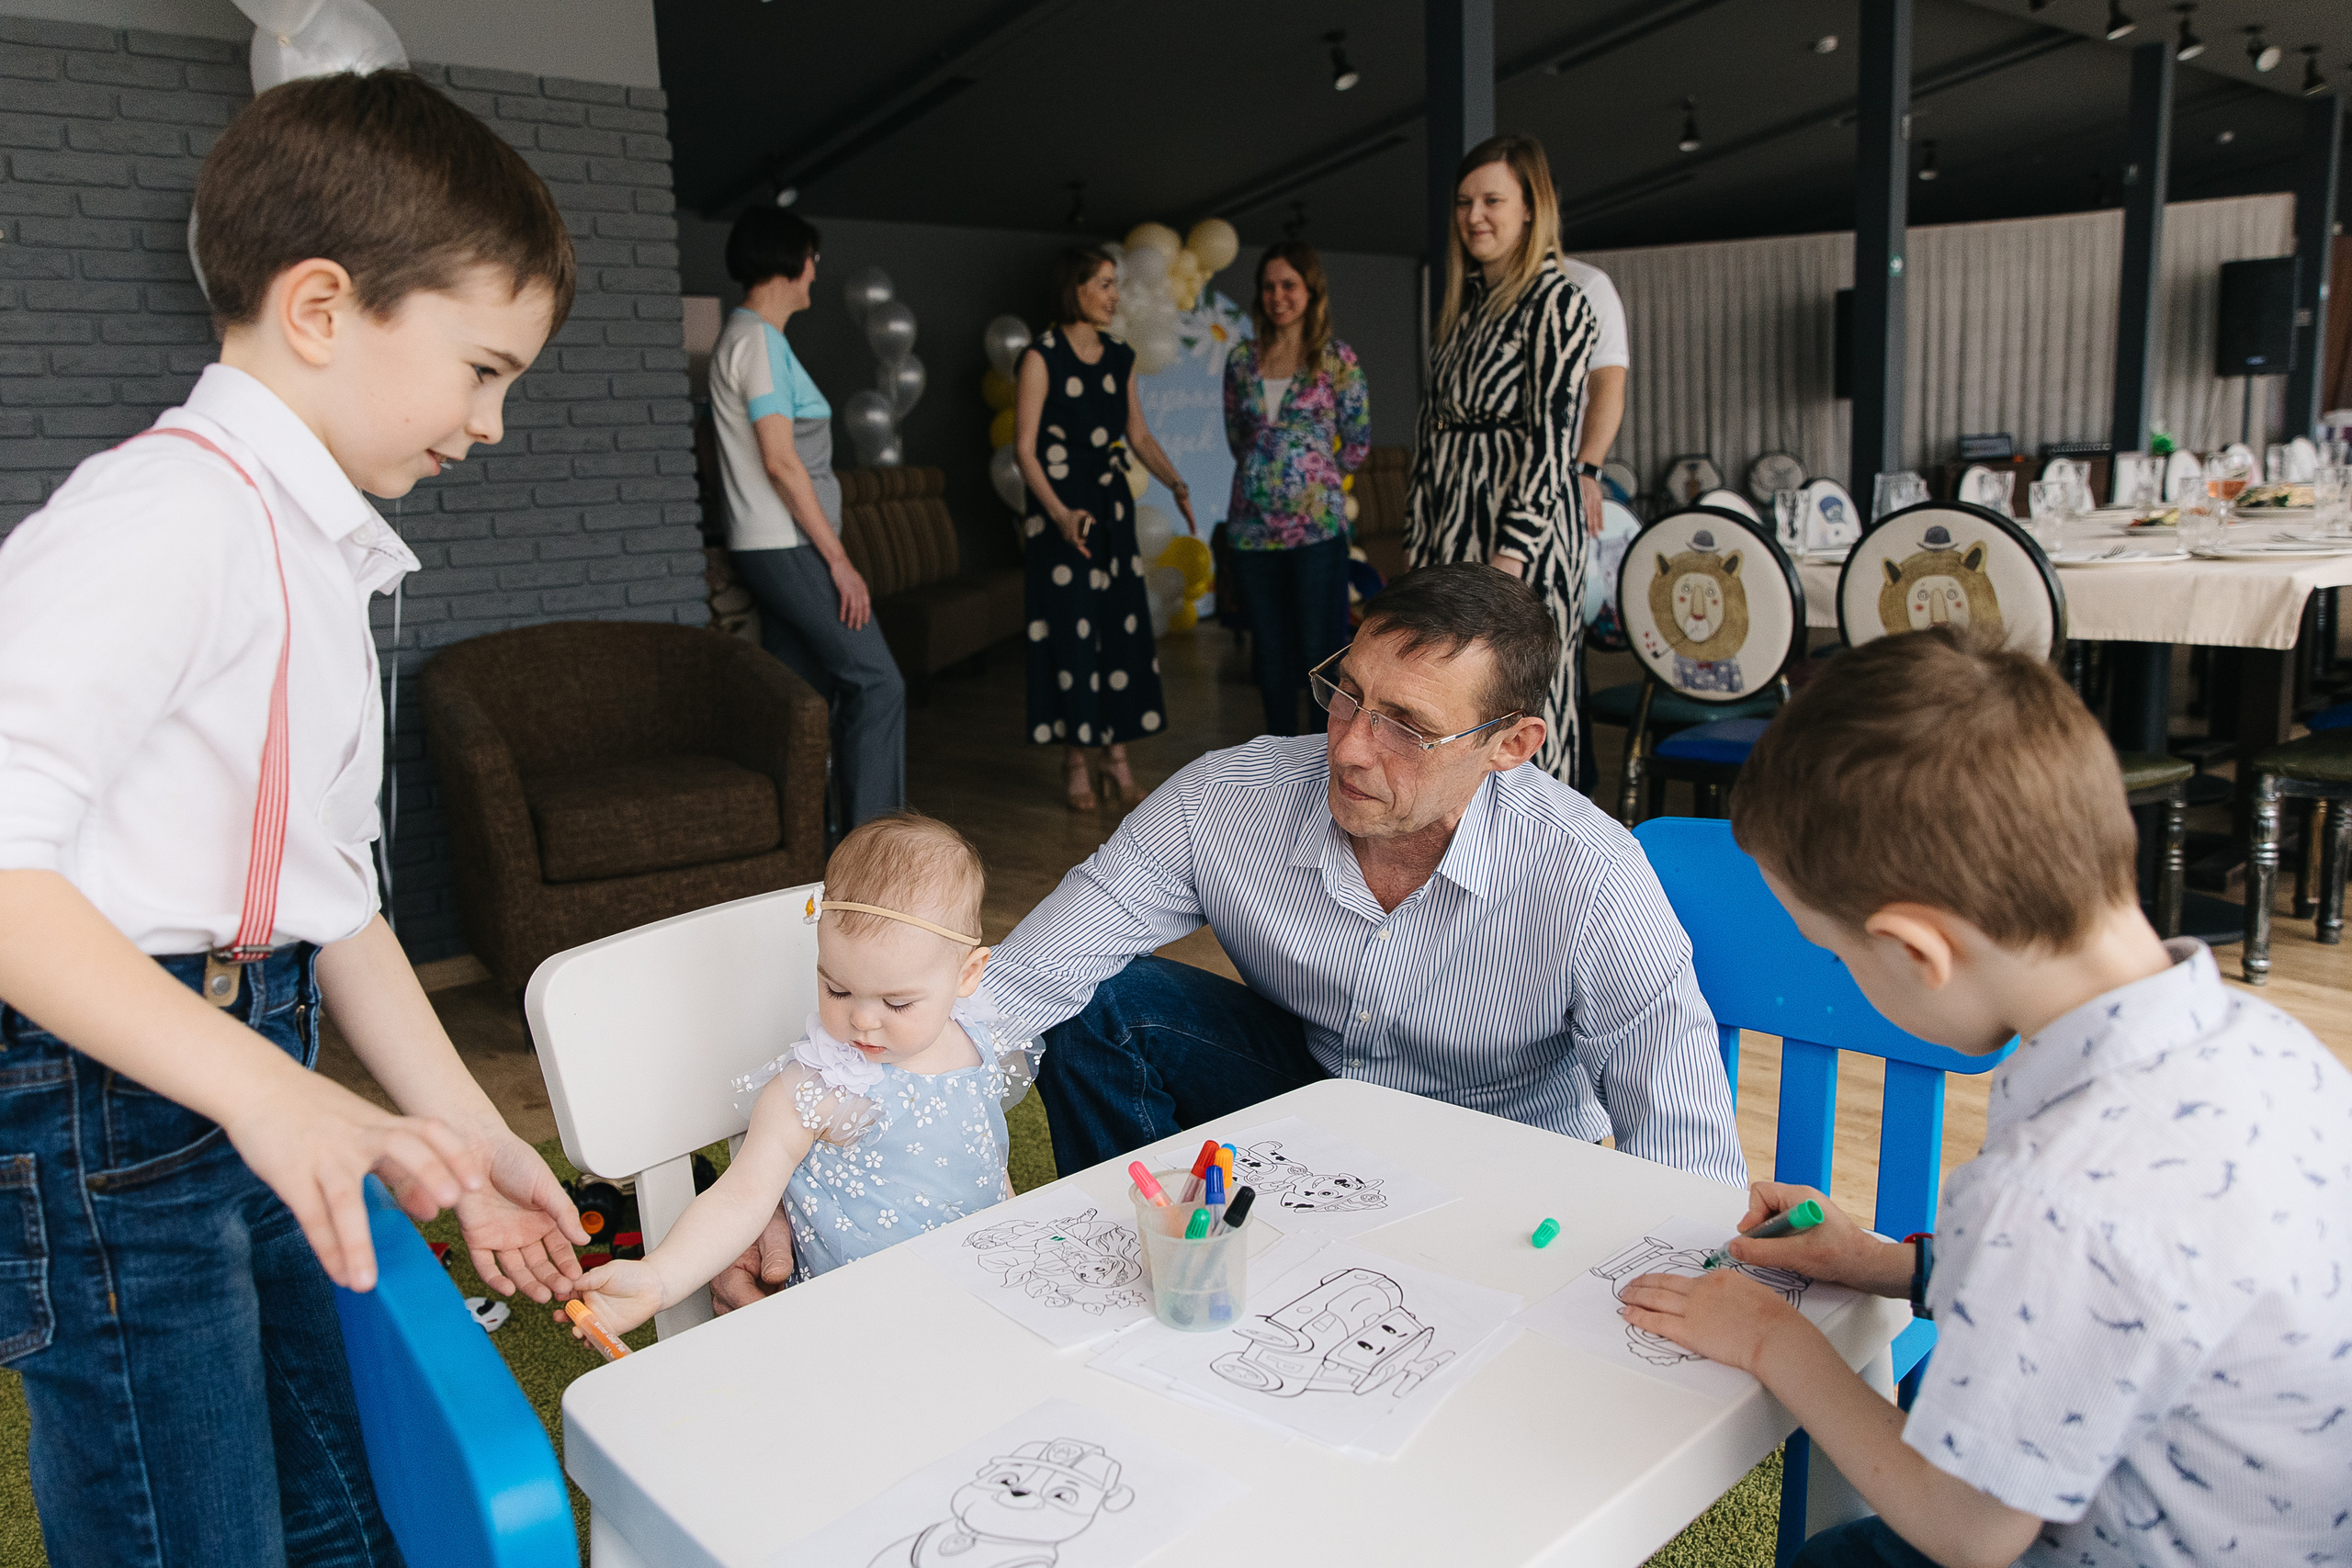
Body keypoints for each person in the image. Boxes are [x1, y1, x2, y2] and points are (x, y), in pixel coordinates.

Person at [0, 72, 591, 1565]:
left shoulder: (318, 550)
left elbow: (329, 898)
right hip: (108, 1101)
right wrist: (262, 1091)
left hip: (256, 1047)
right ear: (322, 308)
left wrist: (459, 1132)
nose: (495, 423)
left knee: (344, 1490)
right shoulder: (162, 519)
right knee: (193, 1527)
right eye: (480, 367)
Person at [1618, 627, 2352, 1568]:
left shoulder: (2055, 1193)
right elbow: (2133, 1300)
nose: (1842, 971)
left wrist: (1772, 1339)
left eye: (1837, 953)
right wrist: (1886, 1265)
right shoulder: (2266, 1040)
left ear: (1918, 953)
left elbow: (1966, 1532)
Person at [560, 813, 1033, 1338]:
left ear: (967, 975)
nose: (862, 1019)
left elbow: (987, 1162)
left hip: (981, 1291)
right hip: (856, 1326)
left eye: (897, 1002)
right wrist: (659, 1277)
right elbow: (741, 1198)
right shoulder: (821, 1087)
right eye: (837, 990)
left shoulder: (979, 1042)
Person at [1406, 134, 1599, 786]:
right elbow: (1432, 436)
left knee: (1518, 704)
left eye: (1492, 199)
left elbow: (1552, 442)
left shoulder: (1558, 301)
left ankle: (1538, 868)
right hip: (1452, 534)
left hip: (1519, 541)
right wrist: (1419, 546)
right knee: (1452, 702)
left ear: (1530, 207)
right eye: (1464, 202)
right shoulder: (1465, 309)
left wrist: (1508, 562)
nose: (1474, 216)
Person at [712, 208, 905, 832]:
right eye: (812, 258)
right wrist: (841, 562)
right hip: (788, 543)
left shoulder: (748, 338)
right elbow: (781, 461)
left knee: (803, 700)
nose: (816, 271)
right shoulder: (758, 342)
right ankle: (872, 852)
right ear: (788, 261)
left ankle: (812, 848)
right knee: (878, 683)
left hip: (772, 545)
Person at [1016, 246, 1198, 811]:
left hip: (1111, 512)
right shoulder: (1040, 357)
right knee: (1072, 635)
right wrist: (1061, 514)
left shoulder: (1120, 356)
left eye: (1116, 284)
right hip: (1061, 519)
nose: (1114, 294)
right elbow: (1024, 450)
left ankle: (1116, 758)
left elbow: (1138, 436)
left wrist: (1176, 482)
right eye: (1103, 283)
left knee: (1118, 633)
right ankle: (1075, 758)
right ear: (1075, 288)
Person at [1220, 242, 1371, 737]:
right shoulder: (1242, 359)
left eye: (1289, 285)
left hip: (1316, 534)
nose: (1278, 296)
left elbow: (1358, 441)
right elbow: (1236, 436)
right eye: (1269, 286)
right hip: (1251, 533)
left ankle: (1323, 760)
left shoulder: (1336, 359)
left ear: (1311, 291)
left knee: (1320, 653)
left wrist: (1312, 479)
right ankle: (1279, 765)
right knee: (1271, 653)